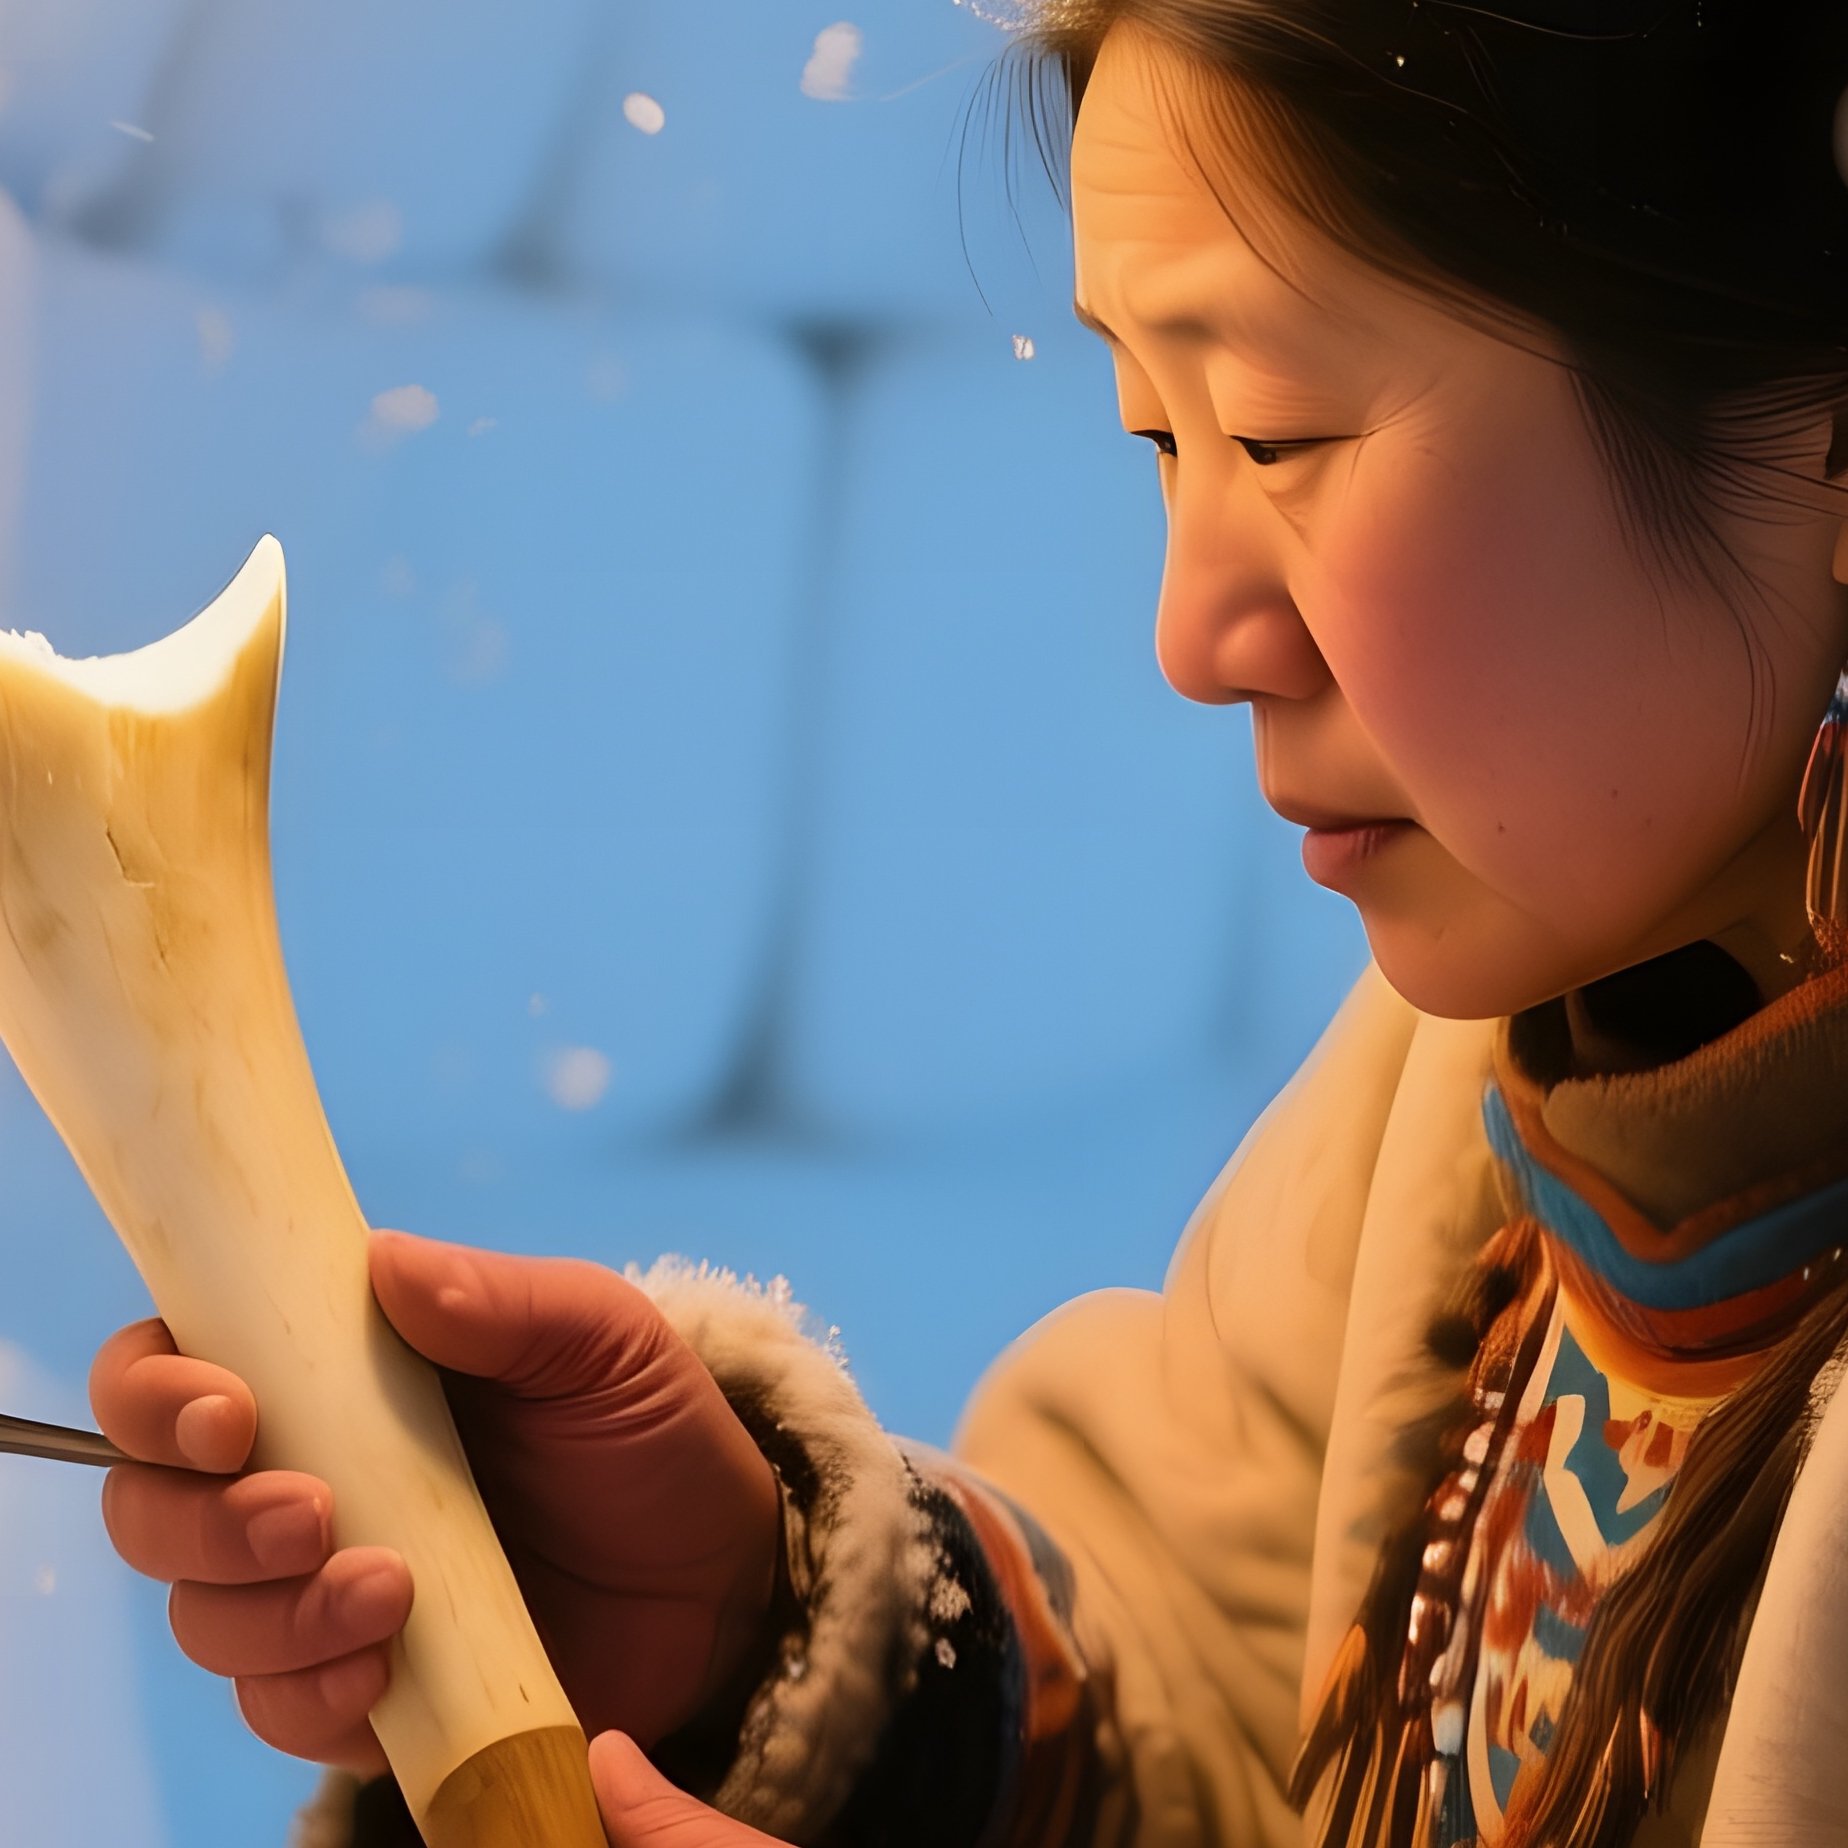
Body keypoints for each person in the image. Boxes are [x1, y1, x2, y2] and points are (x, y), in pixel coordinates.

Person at [86, 1, 1848, 1843]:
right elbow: (1247, 1715)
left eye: (1280, 430)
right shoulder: (1451, 1103)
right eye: (1161, 439)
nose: (1194, 637)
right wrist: (737, 1627)